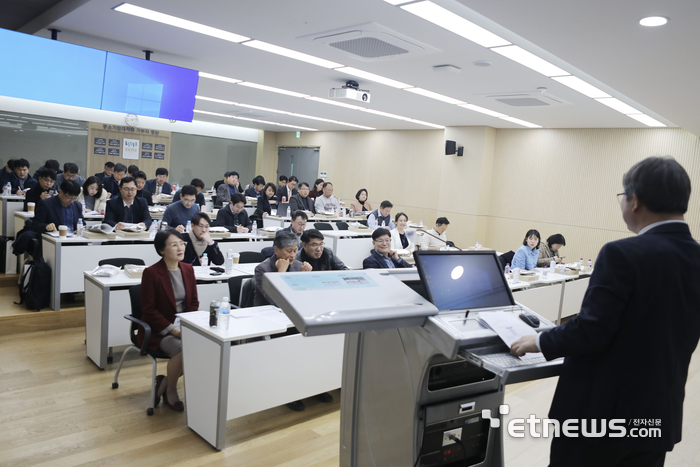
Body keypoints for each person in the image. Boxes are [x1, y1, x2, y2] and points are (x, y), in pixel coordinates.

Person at [511, 157, 700, 466]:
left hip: (600, 417)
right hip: (657, 413)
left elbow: (591, 330)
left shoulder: (622, 253)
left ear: (634, 200)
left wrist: (539, 341)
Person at [139, 229, 199, 412]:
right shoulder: (151, 273)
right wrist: (173, 330)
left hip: (183, 325)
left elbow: (194, 302)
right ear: (161, 250)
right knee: (183, 348)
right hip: (158, 329)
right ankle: (171, 390)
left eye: (182, 244)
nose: (180, 248)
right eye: (174, 245)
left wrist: (189, 324)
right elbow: (149, 310)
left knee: (202, 344)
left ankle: (164, 382)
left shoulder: (188, 269)